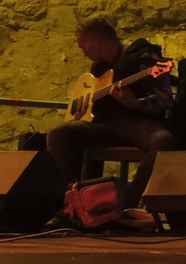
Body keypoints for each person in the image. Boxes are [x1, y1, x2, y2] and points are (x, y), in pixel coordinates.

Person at [46, 19, 175, 208]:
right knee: (59, 134)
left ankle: (126, 201)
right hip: (105, 125)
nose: (83, 52)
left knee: (162, 140)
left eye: (84, 47)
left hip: (137, 124)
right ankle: (71, 200)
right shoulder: (100, 68)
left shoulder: (143, 58)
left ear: (95, 42)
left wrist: (135, 103)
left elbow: (166, 99)